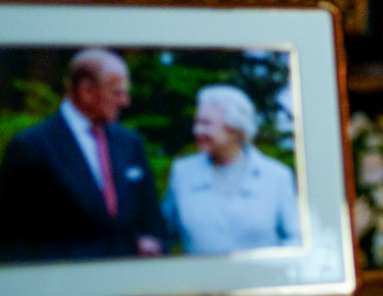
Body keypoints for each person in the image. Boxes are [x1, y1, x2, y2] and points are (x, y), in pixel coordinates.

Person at [0, 49, 167, 261]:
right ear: (86, 90)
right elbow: (13, 237)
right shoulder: (32, 146)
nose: (125, 102)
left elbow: (152, 218)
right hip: (64, 285)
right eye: (117, 92)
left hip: (127, 283)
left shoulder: (129, 142)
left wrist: (152, 241)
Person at [161, 84, 301, 255]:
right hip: (199, 281)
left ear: (234, 129)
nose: (197, 131)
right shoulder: (182, 173)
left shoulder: (277, 176)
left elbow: (295, 239)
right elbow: (162, 235)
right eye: (196, 123)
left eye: (206, 123)